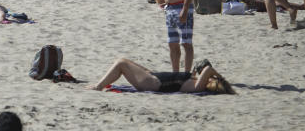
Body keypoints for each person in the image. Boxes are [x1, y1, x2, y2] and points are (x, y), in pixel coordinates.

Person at [88, 57, 234, 93]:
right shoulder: (197, 81)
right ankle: (99, 85)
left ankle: (98, 86)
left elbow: (208, 69)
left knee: (120, 63)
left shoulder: (199, 86)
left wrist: (219, 77)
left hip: (153, 83)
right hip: (153, 77)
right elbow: (205, 70)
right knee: (125, 61)